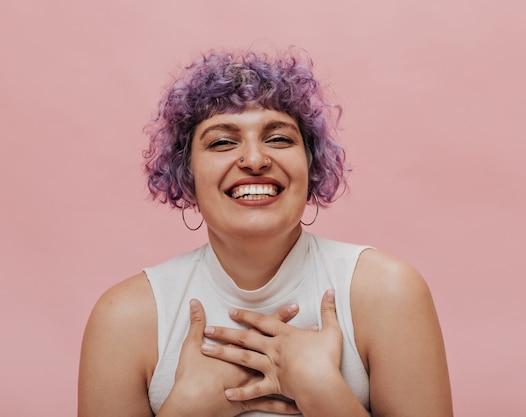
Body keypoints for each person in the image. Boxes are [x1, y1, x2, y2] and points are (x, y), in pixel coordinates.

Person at [77, 48, 453, 417]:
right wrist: (188, 407)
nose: (255, 160)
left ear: (312, 166)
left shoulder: (388, 292)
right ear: (186, 175)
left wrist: (322, 390)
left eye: (279, 139)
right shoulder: (124, 318)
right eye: (223, 141)